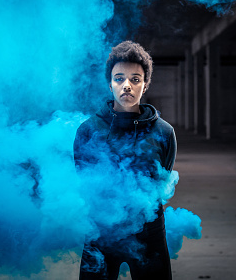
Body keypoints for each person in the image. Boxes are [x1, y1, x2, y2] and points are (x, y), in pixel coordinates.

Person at [73, 41, 177, 280]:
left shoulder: (163, 132)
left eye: (135, 79)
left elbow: (163, 178)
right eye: (119, 78)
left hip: (148, 232)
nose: (127, 86)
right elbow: (84, 179)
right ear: (109, 84)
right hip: (101, 230)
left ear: (145, 84)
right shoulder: (88, 130)